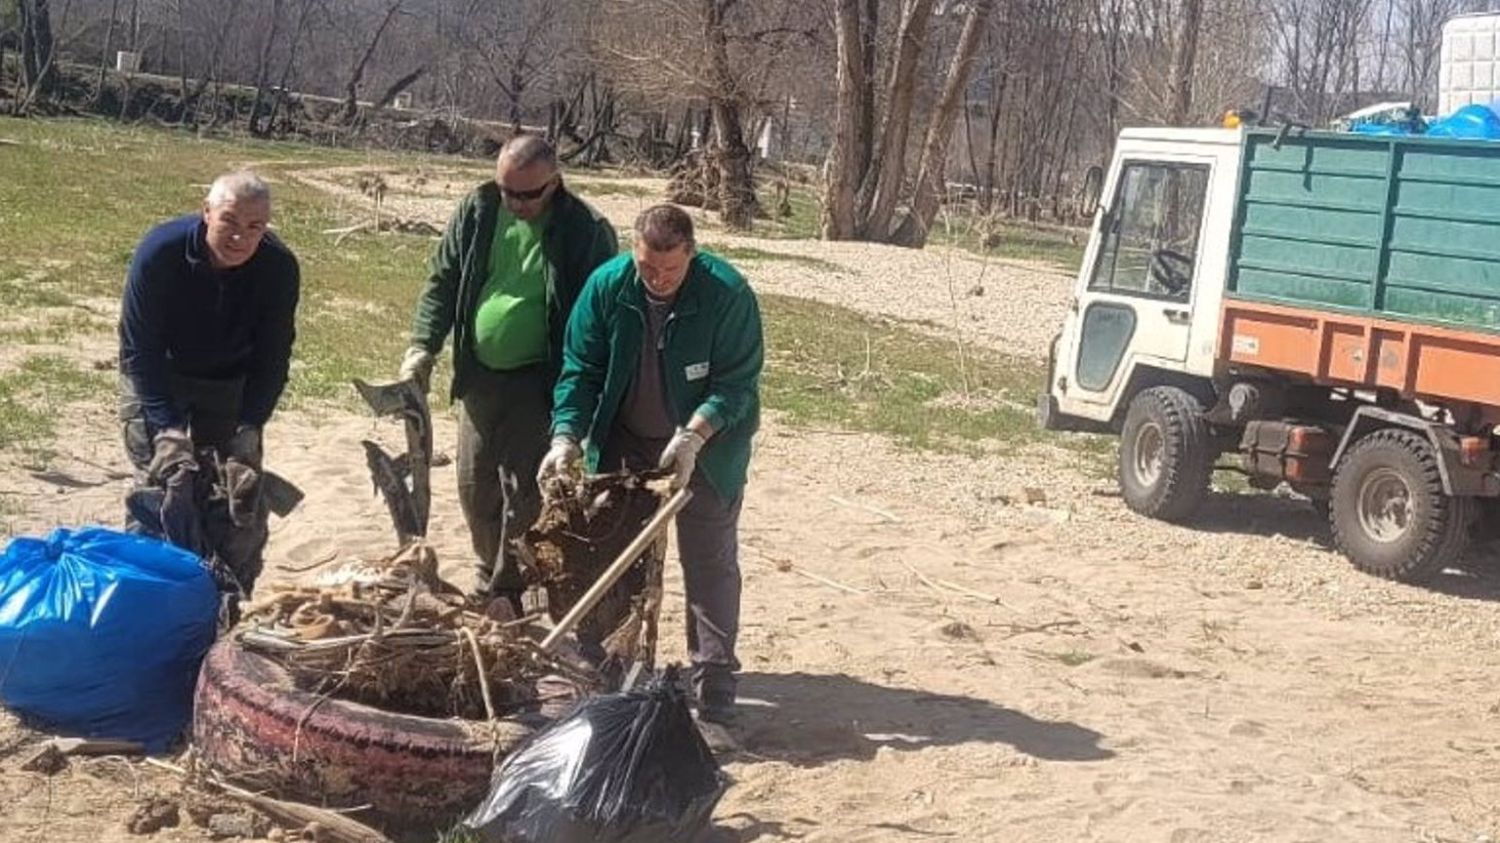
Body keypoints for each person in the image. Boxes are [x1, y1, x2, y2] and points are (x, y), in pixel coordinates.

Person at [539, 203, 763, 723]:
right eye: (647, 268)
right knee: (610, 554)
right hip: (624, 440)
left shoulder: (727, 294)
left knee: (708, 560)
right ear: (633, 252)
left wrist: (695, 435)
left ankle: (714, 686)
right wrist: (566, 435)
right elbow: (580, 370)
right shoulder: (607, 287)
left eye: (670, 270)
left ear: (692, 255)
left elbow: (737, 385)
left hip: (708, 448)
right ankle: (606, 669)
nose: (658, 280)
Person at [400, 135, 618, 611]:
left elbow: (600, 317)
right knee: (474, 486)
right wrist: (423, 346)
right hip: (481, 375)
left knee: (522, 491)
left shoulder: (584, 230)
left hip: (540, 379)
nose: (514, 202)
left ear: (554, 183)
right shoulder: (478, 211)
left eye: (527, 194)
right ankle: (487, 568)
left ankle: (508, 590)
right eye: (506, 190)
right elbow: (444, 279)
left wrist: (579, 400)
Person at [118, 169, 300, 593]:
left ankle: (224, 607)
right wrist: (166, 427)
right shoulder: (160, 253)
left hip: (228, 384)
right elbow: (138, 350)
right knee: (163, 488)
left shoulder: (278, 268)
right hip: (160, 374)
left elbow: (273, 358)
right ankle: (145, 601)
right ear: (206, 213)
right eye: (230, 223)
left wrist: (249, 427)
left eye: (254, 228)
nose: (240, 238)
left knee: (236, 502)